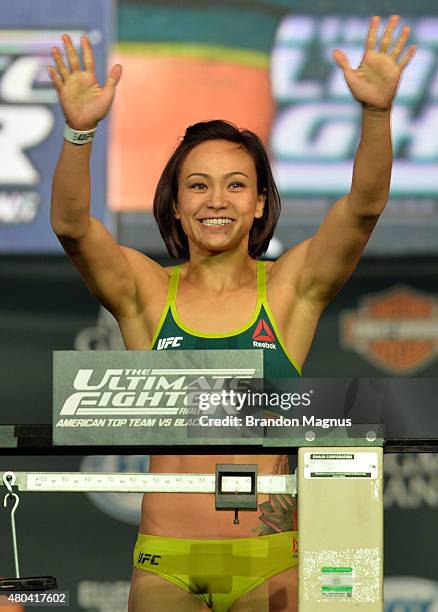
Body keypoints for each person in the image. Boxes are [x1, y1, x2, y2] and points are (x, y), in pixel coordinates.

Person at [49, 15, 415, 611]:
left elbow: (364, 208)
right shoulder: (145, 292)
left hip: (275, 560)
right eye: (198, 186)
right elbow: (70, 227)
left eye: (235, 185)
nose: (216, 200)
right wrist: (79, 133)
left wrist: (376, 115)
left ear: (260, 202)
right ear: (174, 203)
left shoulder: (292, 289)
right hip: (168, 561)